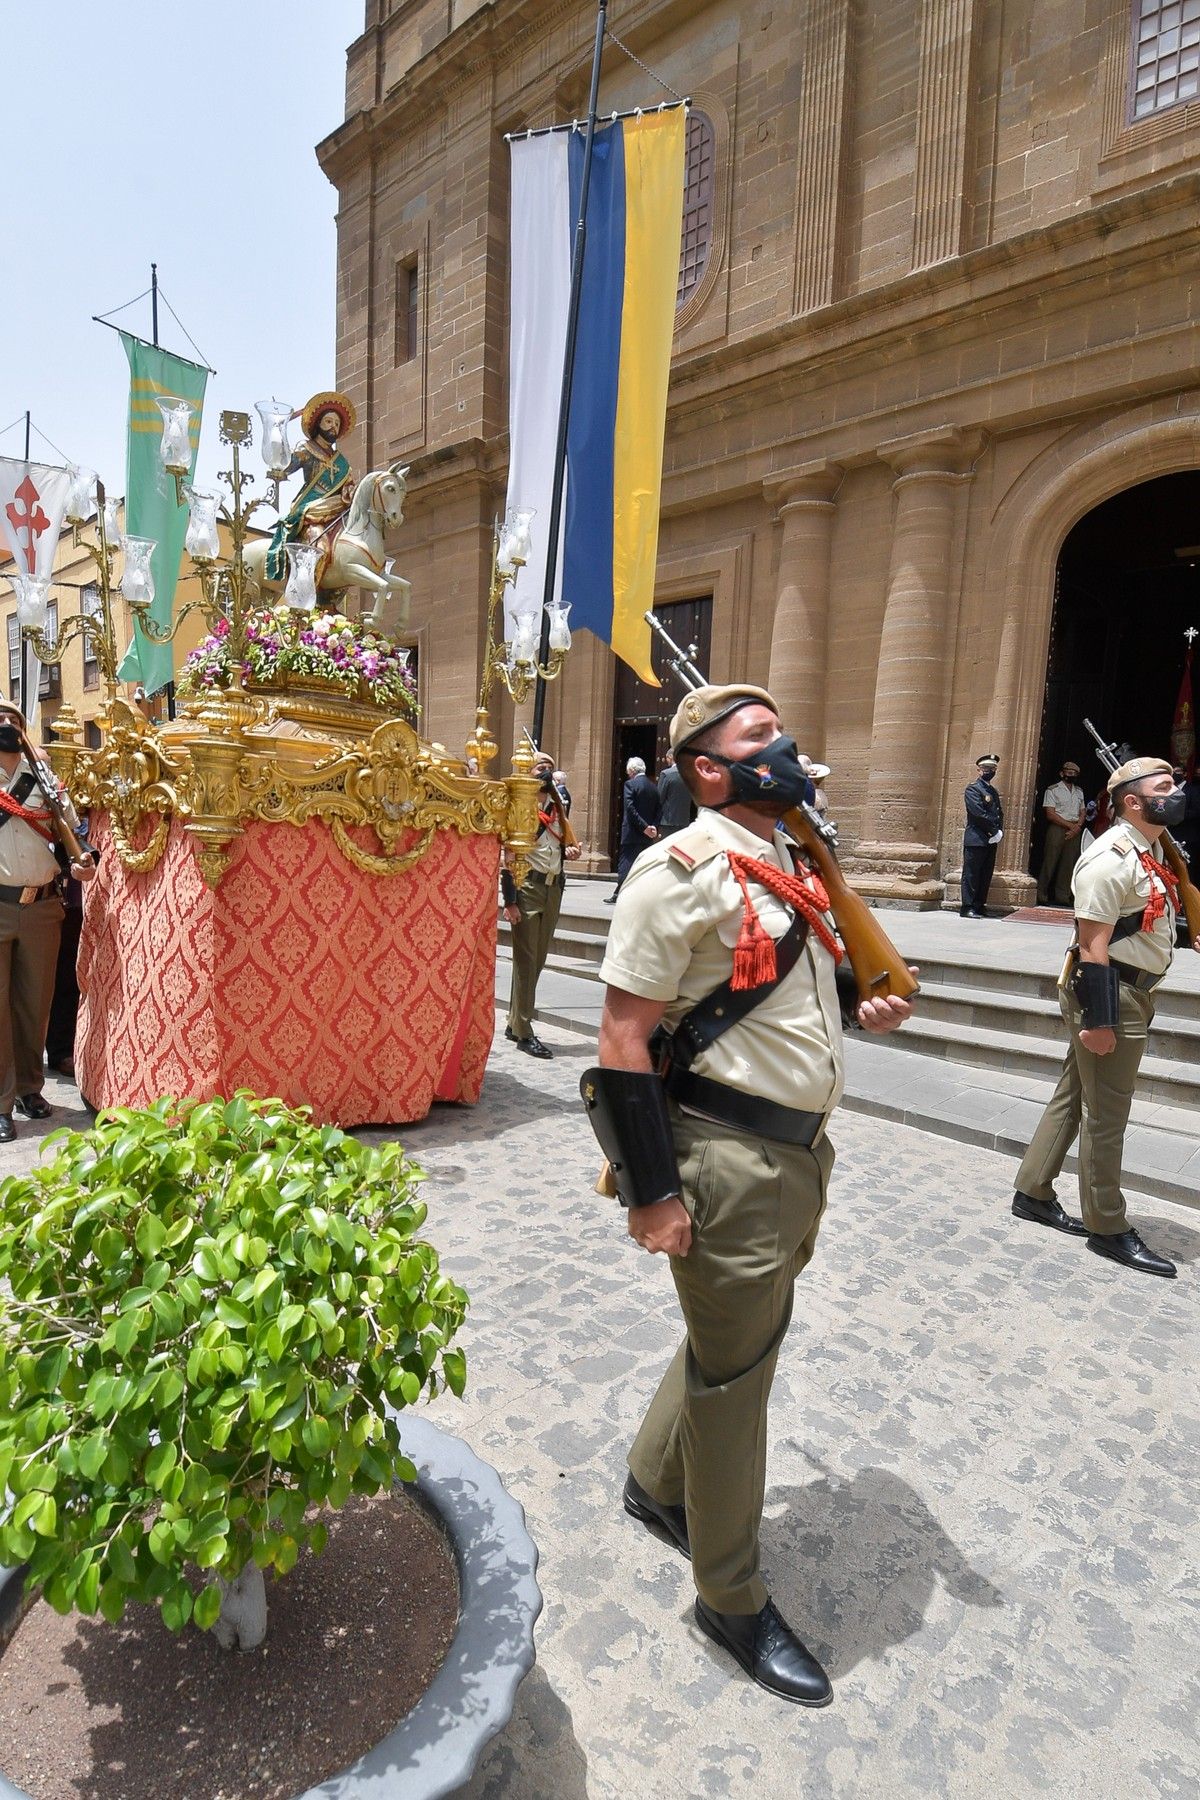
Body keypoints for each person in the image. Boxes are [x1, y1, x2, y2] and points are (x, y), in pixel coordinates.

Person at [581, 684, 915, 1705]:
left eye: (783, 729)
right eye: (760, 735)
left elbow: (777, 1000)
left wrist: (865, 1006)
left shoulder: (795, 864)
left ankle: (652, 1482)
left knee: (735, 1347)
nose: (787, 744)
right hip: (726, 1155)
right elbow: (623, 1040)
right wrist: (651, 1195)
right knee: (740, 1385)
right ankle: (731, 1596)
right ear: (710, 769)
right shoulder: (678, 869)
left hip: (797, 1156)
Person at [1011, 755, 1195, 1277]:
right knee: (1106, 1116)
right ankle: (1108, 1227)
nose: (1176, 792)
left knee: (1074, 1096)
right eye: (1166, 787)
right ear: (1133, 802)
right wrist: (1100, 1021)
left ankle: (1032, 1190)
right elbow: (1092, 948)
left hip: (1134, 987)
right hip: (1112, 991)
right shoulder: (1110, 858)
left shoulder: (1153, 849)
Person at [0, 704, 96, 1141]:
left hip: (40, 906)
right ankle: (1, 1104)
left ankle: (28, 1089)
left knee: (33, 1005)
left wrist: (79, 865)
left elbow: (71, 834)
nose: (6, 727)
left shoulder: (46, 782)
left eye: (13, 721)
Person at [502, 751, 581, 1059]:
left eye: (549, 768)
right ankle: (524, 1032)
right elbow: (508, 856)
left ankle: (513, 1022)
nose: (546, 773)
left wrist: (571, 852)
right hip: (528, 886)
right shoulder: (521, 809)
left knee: (537, 960)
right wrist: (509, 901)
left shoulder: (559, 809)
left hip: (553, 888)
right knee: (525, 960)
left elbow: (562, 847)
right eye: (540, 768)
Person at [264, 391, 358, 585]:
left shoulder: (342, 463)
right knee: (320, 548)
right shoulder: (306, 449)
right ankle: (306, 593)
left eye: (337, 424)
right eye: (329, 421)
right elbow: (286, 465)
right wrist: (277, 437)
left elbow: (349, 487)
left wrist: (352, 492)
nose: (334, 427)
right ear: (318, 424)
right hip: (310, 510)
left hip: (337, 512)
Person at [603, 756, 662, 903]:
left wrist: (644, 827)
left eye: (628, 771)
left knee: (626, 864)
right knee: (643, 864)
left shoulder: (630, 784)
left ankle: (619, 894)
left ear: (631, 770)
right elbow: (659, 810)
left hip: (632, 833)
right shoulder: (654, 787)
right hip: (648, 835)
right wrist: (652, 826)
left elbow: (630, 809)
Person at [1037, 759, 1086, 906]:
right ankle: (1042, 894)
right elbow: (1050, 813)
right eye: (1069, 773)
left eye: (1074, 774)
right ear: (1062, 773)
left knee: (1068, 864)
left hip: (1075, 829)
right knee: (1050, 862)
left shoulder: (1079, 792)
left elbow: (1083, 811)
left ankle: (1063, 896)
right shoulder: (1053, 790)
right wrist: (1072, 827)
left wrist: (1077, 826)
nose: (1071, 775)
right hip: (1058, 828)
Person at [961, 753, 1004, 917]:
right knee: (972, 874)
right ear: (979, 770)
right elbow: (977, 813)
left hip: (990, 840)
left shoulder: (991, 790)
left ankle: (979, 905)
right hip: (977, 838)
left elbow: (999, 813)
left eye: (992, 768)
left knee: (985, 874)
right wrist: (994, 831)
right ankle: (967, 907)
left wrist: (999, 831)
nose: (989, 771)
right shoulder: (973, 788)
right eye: (986, 768)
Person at [656, 750, 693, 837]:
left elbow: (659, 798)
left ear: (671, 757)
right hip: (684, 820)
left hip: (668, 821)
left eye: (667, 758)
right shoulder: (689, 775)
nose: (666, 761)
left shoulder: (666, 774)